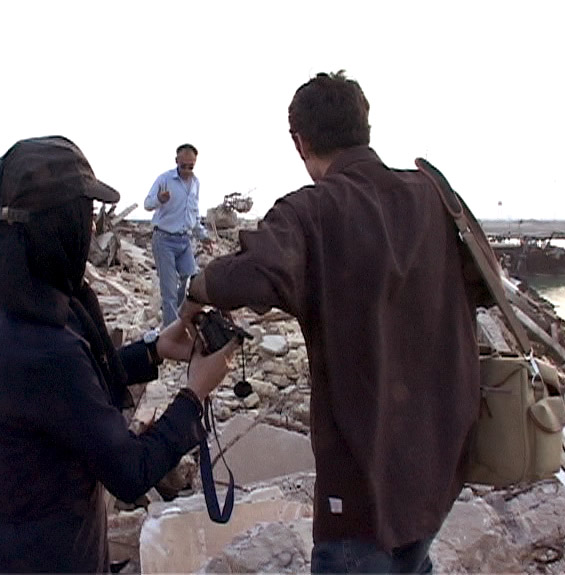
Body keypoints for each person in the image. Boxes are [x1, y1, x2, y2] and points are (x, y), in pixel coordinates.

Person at [186, 72, 484, 573]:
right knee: (413, 558)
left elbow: (251, 276)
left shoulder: (312, 210)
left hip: (363, 471)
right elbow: (484, 287)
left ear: (299, 141)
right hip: (441, 449)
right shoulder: (433, 194)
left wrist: (194, 291)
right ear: (364, 126)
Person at [0, 136, 237, 574]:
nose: (93, 230)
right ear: (60, 225)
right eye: (86, 217)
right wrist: (194, 395)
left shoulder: (20, 294)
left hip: (25, 549)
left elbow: (78, 384)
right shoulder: (44, 346)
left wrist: (154, 349)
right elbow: (131, 472)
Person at [144, 144, 211, 326]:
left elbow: (193, 215)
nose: (187, 171)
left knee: (190, 278)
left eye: (191, 167)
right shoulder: (165, 179)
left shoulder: (196, 183)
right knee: (169, 290)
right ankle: (170, 331)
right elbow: (147, 204)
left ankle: (178, 318)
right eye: (183, 166)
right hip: (164, 239)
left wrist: (203, 236)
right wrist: (160, 199)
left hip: (185, 240)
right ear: (176, 161)